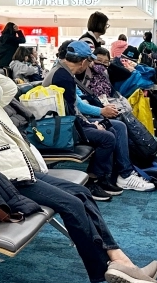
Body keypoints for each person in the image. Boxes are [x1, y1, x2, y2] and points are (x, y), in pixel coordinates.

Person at [0, 42, 157, 283]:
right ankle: (116, 273)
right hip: (4, 181)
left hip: (21, 169)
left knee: (81, 193)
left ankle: (120, 262)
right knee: (71, 204)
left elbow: (8, 89)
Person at [46, 41, 150, 199]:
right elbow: (72, 112)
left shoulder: (63, 72)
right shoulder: (63, 77)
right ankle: (94, 181)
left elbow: (72, 108)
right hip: (62, 128)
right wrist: (92, 125)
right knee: (107, 136)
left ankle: (119, 175)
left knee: (115, 127)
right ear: (83, 61)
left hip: (64, 123)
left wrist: (92, 122)